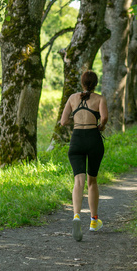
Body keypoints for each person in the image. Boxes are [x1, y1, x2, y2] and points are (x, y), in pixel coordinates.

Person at [60, 70, 108, 242]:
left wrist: (78, 120)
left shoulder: (72, 98)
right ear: (95, 83)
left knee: (78, 181)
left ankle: (76, 216)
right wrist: (99, 125)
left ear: (82, 82)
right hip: (93, 140)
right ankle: (94, 221)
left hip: (76, 140)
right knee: (92, 180)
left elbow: (63, 121)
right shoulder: (100, 99)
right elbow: (104, 118)